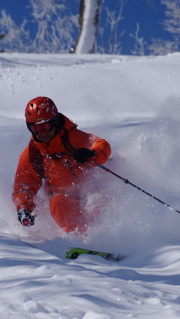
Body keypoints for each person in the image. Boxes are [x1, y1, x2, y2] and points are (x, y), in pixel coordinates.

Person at [12, 96, 111, 235]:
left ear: (55, 122)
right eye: (36, 128)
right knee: (57, 202)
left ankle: (110, 235)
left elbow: (103, 145)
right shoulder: (32, 154)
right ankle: (84, 239)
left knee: (97, 199)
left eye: (46, 127)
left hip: (90, 191)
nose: (42, 133)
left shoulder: (73, 138)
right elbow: (23, 186)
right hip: (65, 200)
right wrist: (24, 209)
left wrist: (91, 154)